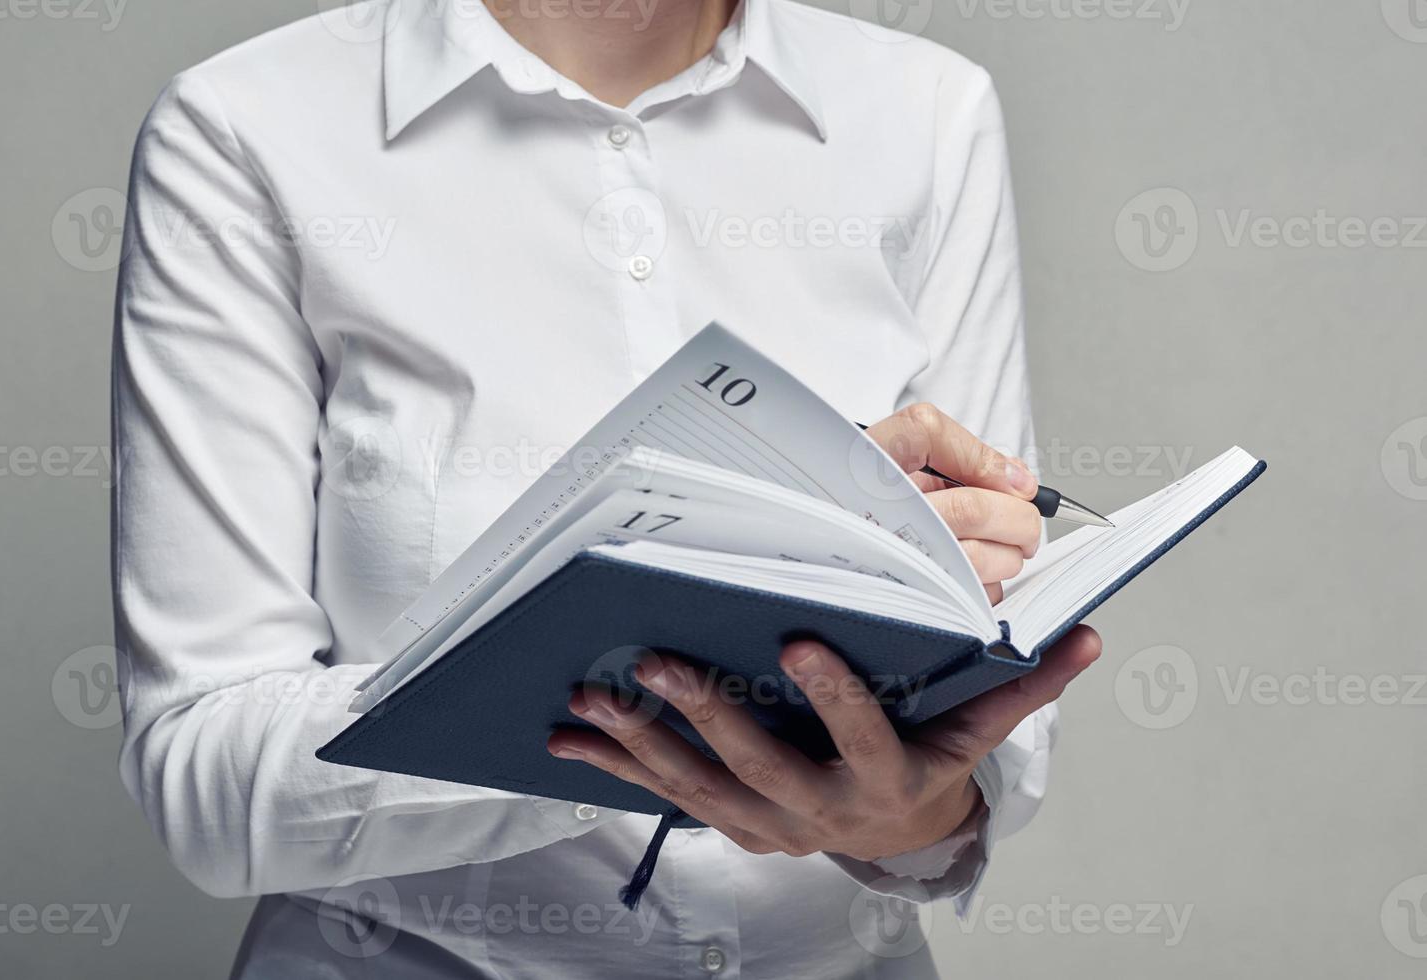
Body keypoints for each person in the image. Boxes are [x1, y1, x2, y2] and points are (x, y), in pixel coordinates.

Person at [110, 0, 1101, 975]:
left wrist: (911, 805)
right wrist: (658, 703)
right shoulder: (248, 127)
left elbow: (970, 759)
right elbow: (206, 777)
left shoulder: (923, 108)